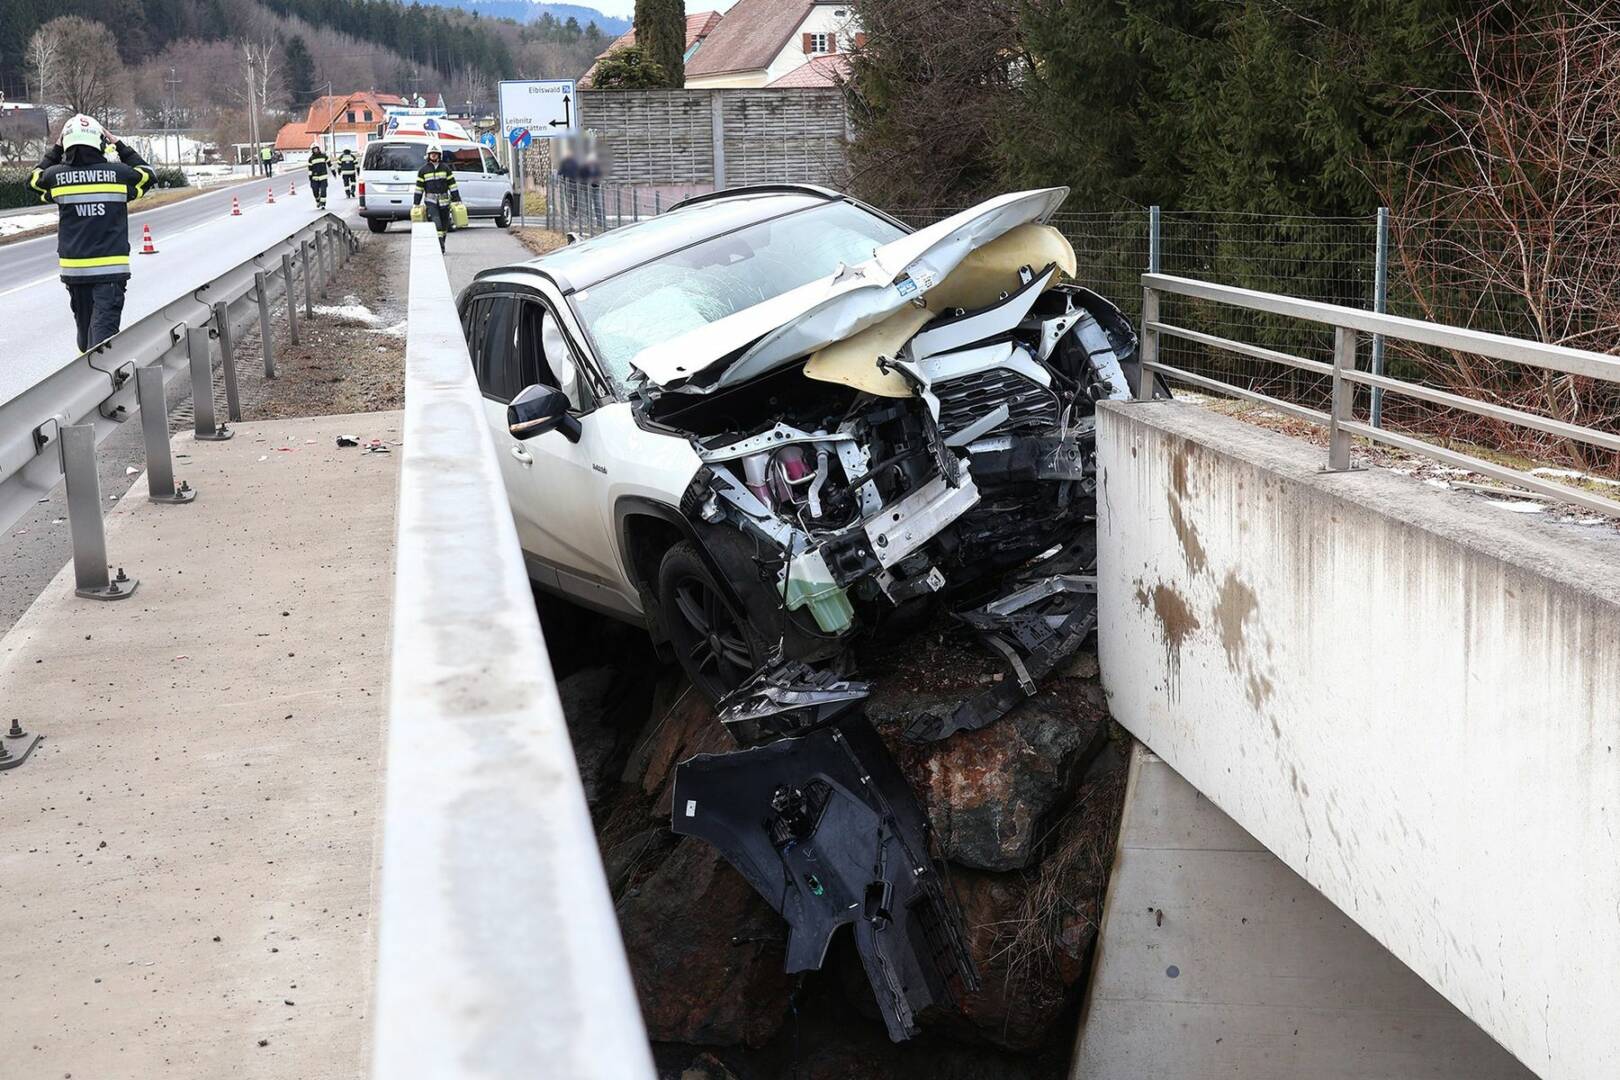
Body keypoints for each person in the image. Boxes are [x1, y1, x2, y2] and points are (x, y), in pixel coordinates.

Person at [28, 114, 155, 353]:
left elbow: (34, 180)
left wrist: (55, 150)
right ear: (99, 142)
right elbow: (148, 174)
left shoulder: (57, 177)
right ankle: (99, 385)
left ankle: (89, 381)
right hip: (110, 271)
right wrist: (118, 144)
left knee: (86, 335)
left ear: (67, 143)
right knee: (103, 339)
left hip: (74, 270)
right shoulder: (118, 174)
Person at [411, 141, 462, 253]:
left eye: (435, 153)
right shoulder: (423, 171)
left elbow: (452, 185)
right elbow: (419, 188)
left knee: (444, 224)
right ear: (428, 155)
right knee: (436, 222)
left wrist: (457, 199)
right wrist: (416, 203)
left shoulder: (446, 169)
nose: (433, 155)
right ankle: (440, 246)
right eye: (431, 153)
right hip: (431, 202)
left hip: (444, 202)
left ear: (439, 155)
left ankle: (442, 241)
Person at [580, 150, 605, 229]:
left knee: (597, 205)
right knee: (588, 206)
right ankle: (590, 223)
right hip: (587, 187)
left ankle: (600, 223)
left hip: (595, 187)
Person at [556, 147, 580, 227]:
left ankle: (574, 212)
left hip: (575, 183)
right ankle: (572, 214)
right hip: (567, 183)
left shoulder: (575, 162)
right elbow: (559, 172)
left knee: (575, 200)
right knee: (569, 200)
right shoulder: (564, 163)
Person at [307, 142, 331, 210]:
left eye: (316, 149)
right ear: (312, 150)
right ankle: (317, 200)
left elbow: (329, 164)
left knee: (323, 191)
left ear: (318, 149)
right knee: (315, 191)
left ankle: (323, 204)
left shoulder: (324, 156)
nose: (315, 150)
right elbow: (310, 169)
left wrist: (334, 172)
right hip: (315, 178)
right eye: (314, 149)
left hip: (323, 177)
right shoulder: (311, 159)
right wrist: (310, 177)